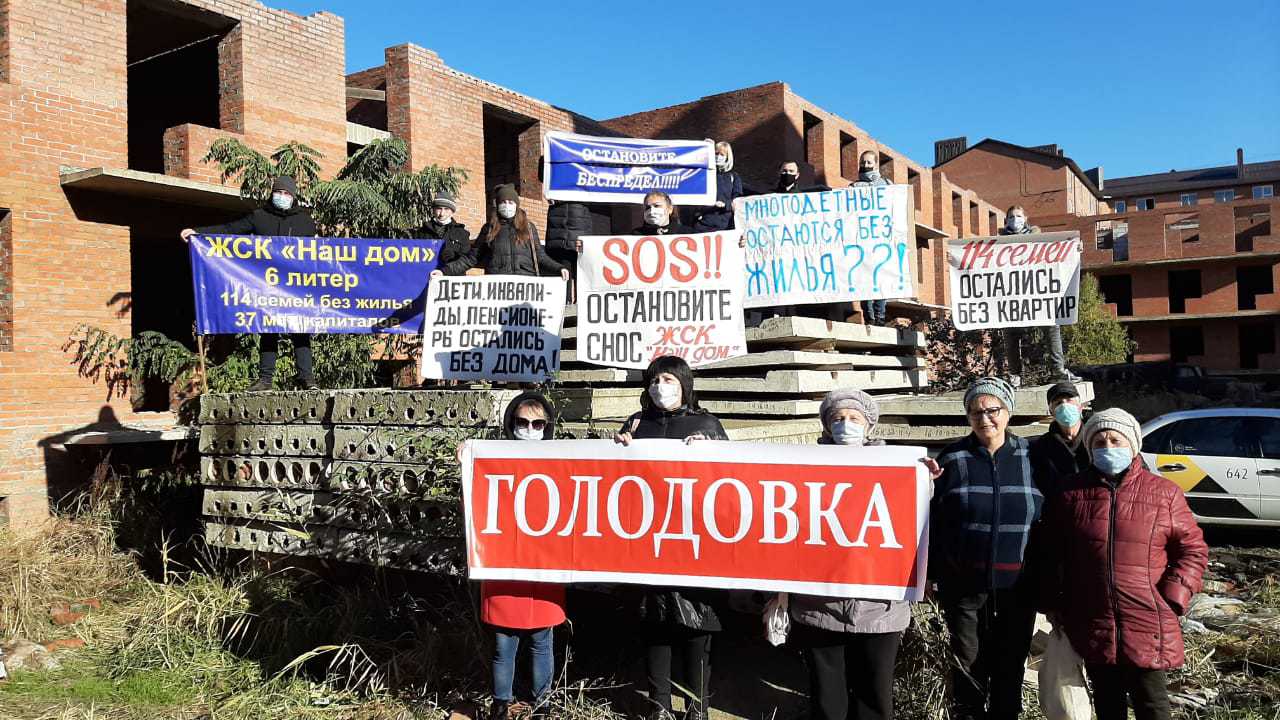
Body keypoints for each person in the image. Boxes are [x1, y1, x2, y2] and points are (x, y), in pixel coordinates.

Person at [1038, 408, 1208, 720]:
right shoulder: (1071, 494)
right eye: (1099, 442)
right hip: (1093, 619)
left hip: (1148, 618)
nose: (1108, 448)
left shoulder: (1164, 494)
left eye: (1115, 440)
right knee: (1107, 704)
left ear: (1132, 444)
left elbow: (1192, 550)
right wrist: (1056, 601)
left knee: (1152, 704)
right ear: (1090, 448)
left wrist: (1173, 596)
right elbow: (1050, 552)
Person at [614, 355, 726, 720]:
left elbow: (730, 483)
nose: (659, 387)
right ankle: (659, 705)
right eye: (654, 380)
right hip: (648, 545)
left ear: (685, 385)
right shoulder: (636, 424)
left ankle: (697, 708)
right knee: (655, 629)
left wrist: (713, 449)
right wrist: (618, 447)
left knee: (696, 630)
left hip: (695, 545)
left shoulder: (707, 424)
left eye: (668, 380)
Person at [789, 389, 909, 720]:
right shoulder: (802, 467)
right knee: (828, 701)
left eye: (854, 418)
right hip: (820, 606)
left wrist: (925, 479)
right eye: (838, 418)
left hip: (879, 609)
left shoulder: (898, 467)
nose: (846, 424)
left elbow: (917, 516)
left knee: (874, 698)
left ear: (869, 425)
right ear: (827, 426)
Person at [930, 377, 1043, 720]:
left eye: (992, 410)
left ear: (1008, 412)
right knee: (967, 666)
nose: (985, 419)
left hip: (1018, 587)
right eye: (975, 412)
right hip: (964, 586)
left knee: (1010, 666)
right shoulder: (952, 458)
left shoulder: (1032, 456)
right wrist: (932, 573)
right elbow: (931, 520)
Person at [471, 391, 567, 720]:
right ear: (511, 424)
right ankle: (501, 704)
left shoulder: (562, 460)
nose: (530, 429)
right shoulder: (493, 459)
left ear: (547, 426)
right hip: (504, 566)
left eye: (538, 424)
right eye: (522, 422)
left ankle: (542, 706)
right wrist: (467, 458)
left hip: (544, 566)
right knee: (503, 643)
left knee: (542, 640)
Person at [180, 175, 319, 391]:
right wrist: (199, 234)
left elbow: (319, 253)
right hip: (268, 286)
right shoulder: (259, 217)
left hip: (296, 287)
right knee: (268, 330)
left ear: (293, 196)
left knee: (300, 331)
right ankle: (265, 380)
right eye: (279, 192)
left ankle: (307, 379)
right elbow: (230, 230)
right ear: (272, 193)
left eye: (286, 193)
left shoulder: (306, 222)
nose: (282, 196)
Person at [998, 206, 1081, 385]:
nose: (1015, 219)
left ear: (1026, 219)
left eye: (1018, 216)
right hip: (1012, 296)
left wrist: (1075, 249)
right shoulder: (997, 243)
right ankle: (1015, 375)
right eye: (1011, 217)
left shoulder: (1039, 240)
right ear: (1006, 220)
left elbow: (1059, 254)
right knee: (1010, 333)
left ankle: (1058, 370)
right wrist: (956, 259)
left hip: (1036, 294)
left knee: (1052, 326)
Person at [464, 184, 570, 280]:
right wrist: (452, 270)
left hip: (526, 285)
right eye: (503, 202)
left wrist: (559, 268)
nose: (507, 205)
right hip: (498, 287)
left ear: (516, 205)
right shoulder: (489, 228)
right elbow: (472, 258)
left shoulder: (529, 227)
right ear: (498, 205)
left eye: (510, 202)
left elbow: (540, 257)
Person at [1029, 381, 1090, 496]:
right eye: (1058, 403)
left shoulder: (1095, 440)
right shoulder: (1042, 447)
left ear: (1081, 407)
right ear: (1051, 412)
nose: (1064, 406)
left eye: (1069, 400)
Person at [851, 151, 890, 326]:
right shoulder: (853, 187)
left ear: (876, 164)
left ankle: (880, 316)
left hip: (881, 241)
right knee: (863, 279)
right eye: (863, 162)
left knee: (881, 278)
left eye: (868, 162)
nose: (865, 165)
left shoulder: (886, 185)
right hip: (861, 243)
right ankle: (869, 318)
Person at [544, 199, 592, 300]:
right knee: (566, 274)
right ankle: (568, 302)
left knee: (578, 274)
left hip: (571, 235)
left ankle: (574, 302)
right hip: (562, 235)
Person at [691, 141, 744, 233]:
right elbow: (696, 196)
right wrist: (705, 147)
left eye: (722, 155)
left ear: (727, 157)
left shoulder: (733, 176)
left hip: (725, 225)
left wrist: (725, 204)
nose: (718, 157)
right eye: (716, 153)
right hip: (704, 223)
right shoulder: (704, 174)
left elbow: (737, 201)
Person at [421, 190, 474, 276]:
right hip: (427, 277)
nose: (442, 213)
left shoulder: (462, 234)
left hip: (453, 280)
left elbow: (466, 260)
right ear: (433, 210)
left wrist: (452, 256)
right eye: (439, 209)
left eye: (446, 209)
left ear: (452, 212)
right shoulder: (422, 231)